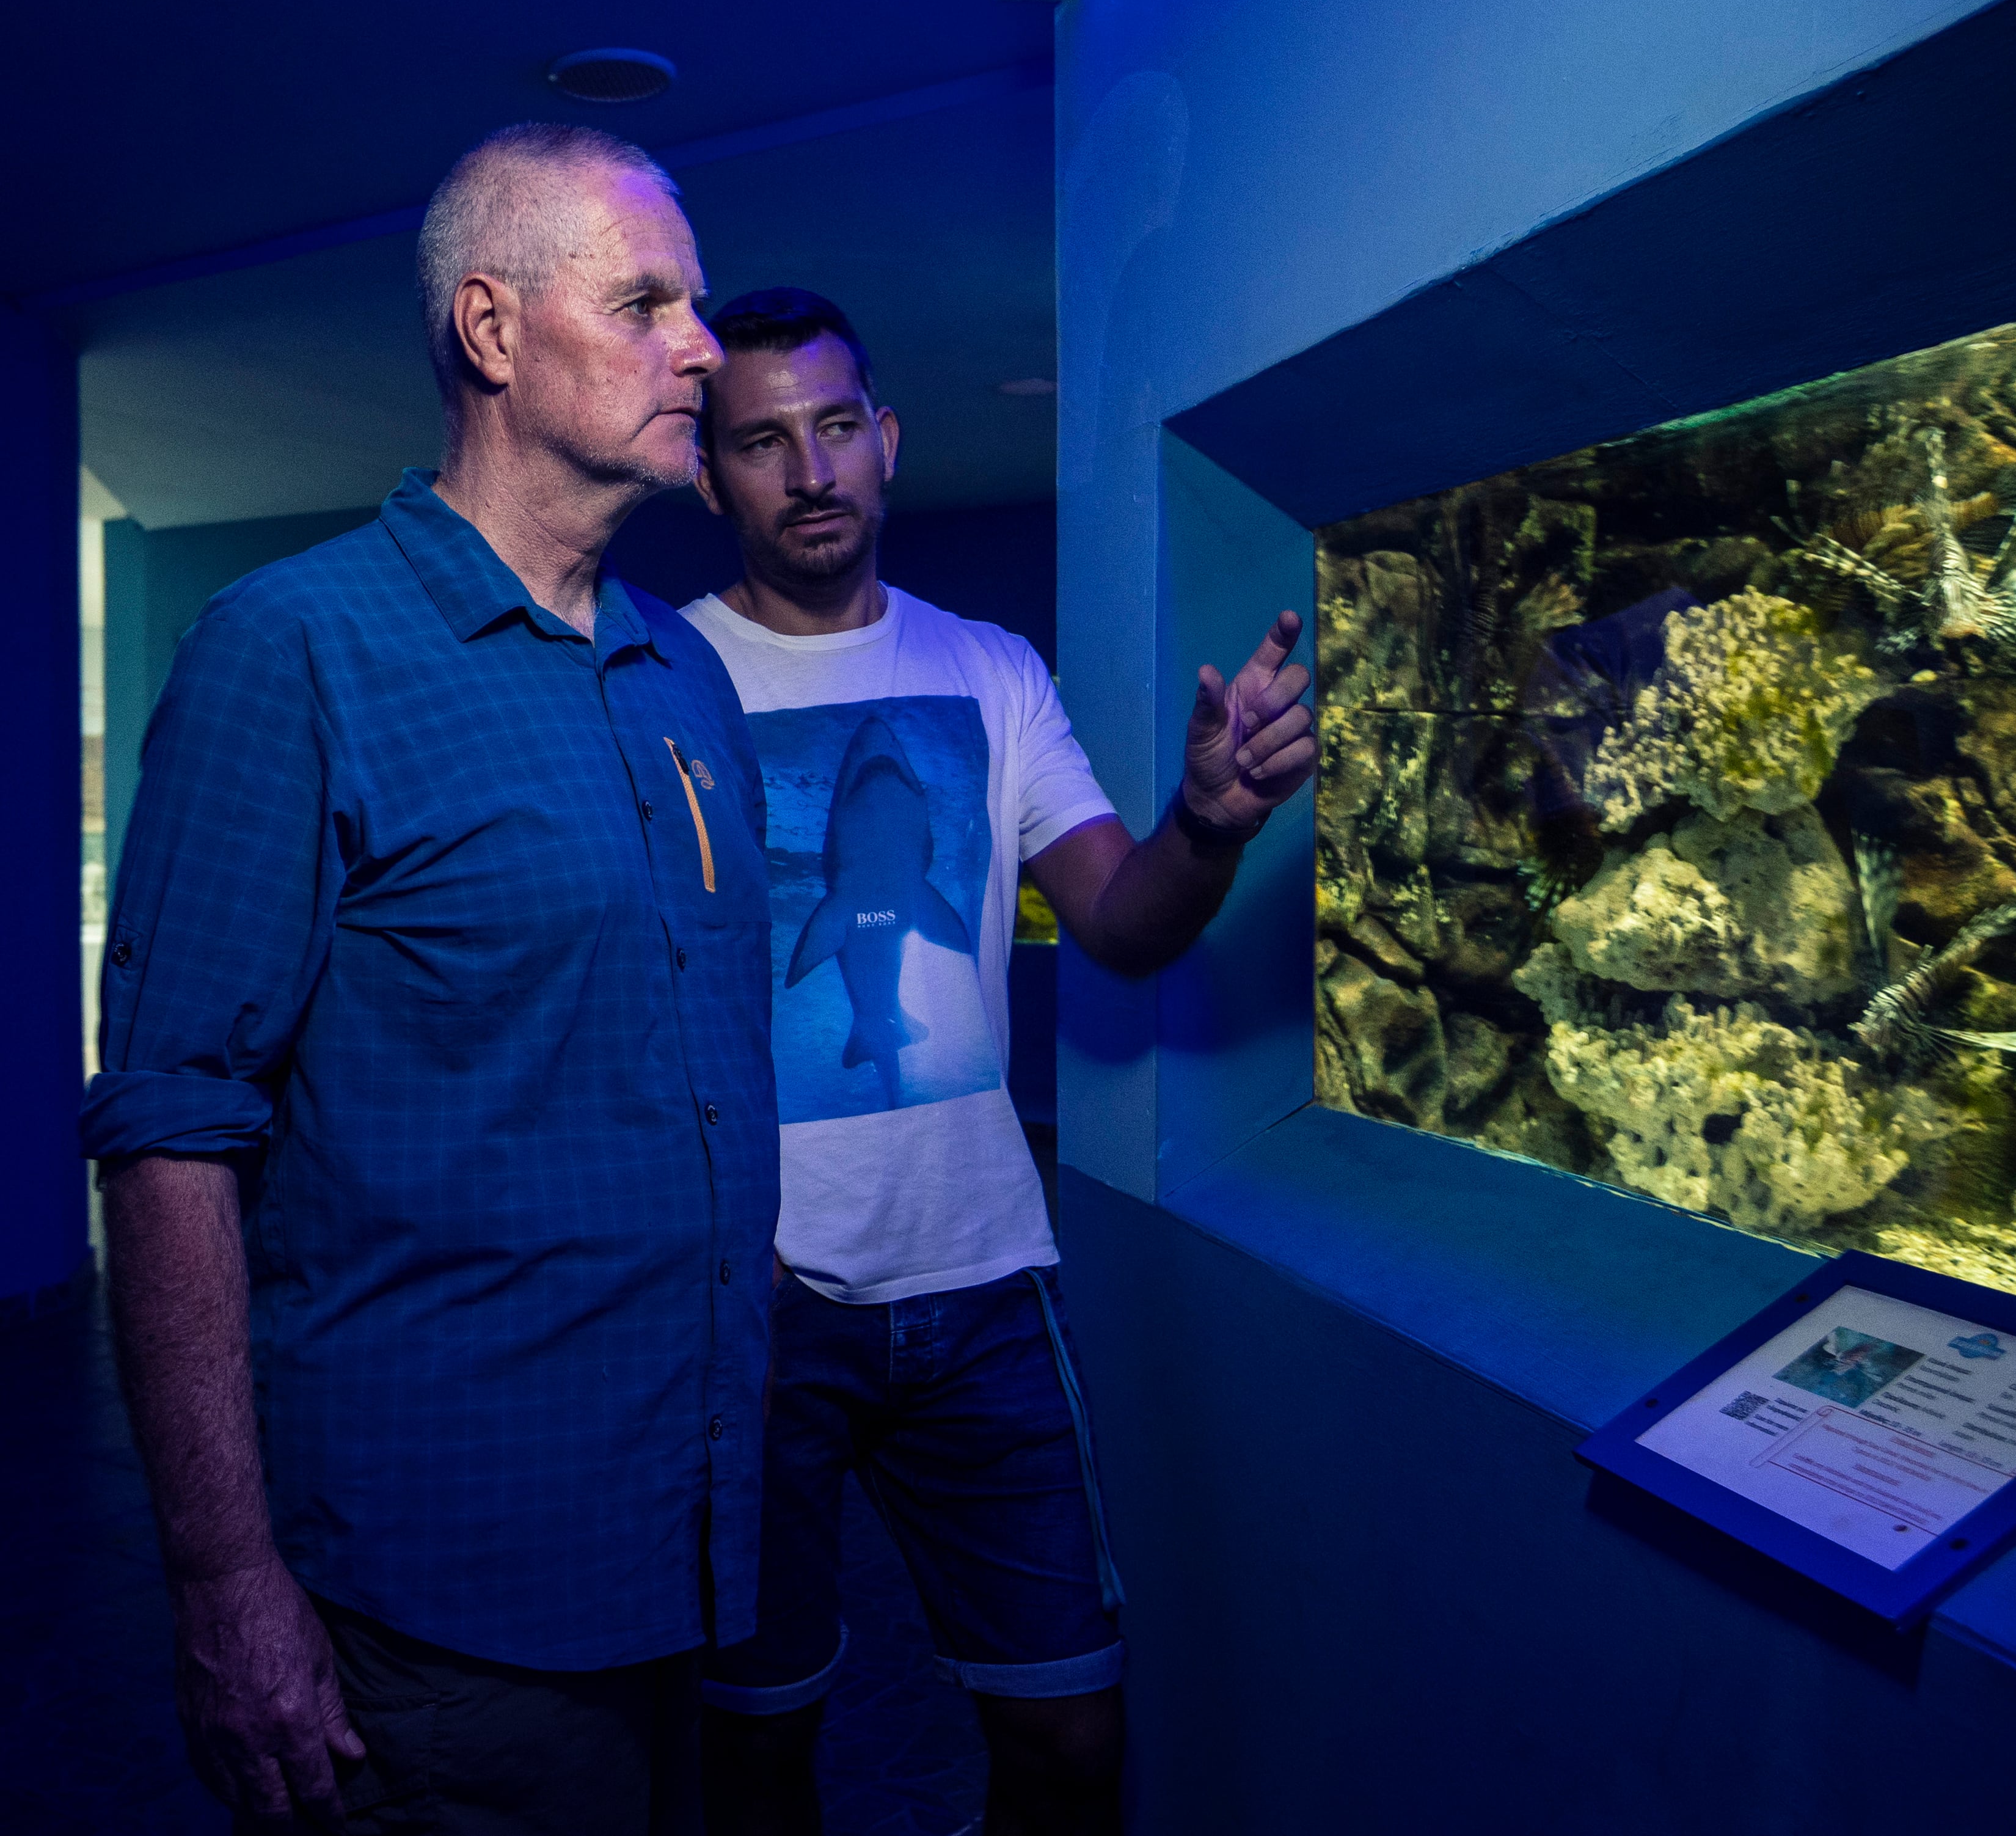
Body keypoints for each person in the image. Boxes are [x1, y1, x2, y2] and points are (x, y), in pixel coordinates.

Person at [81, 124, 778, 1834]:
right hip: (435, 1604)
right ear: (490, 329)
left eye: (698, 306)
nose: (702, 343)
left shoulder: (677, 669)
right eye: (646, 301)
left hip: (681, 1554)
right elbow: (171, 1138)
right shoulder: (295, 651)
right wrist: (225, 1585)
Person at [683, 288, 1316, 1836]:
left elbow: (1121, 921)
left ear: (887, 442)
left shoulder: (991, 669)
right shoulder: (655, 684)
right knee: (755, 1758)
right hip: (749, 1314)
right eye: (761, 442)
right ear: (710, 477)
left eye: (837, 428)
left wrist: (1209, 831)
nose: (810, 470)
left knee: (1072, 1742)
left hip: (981, 1286)